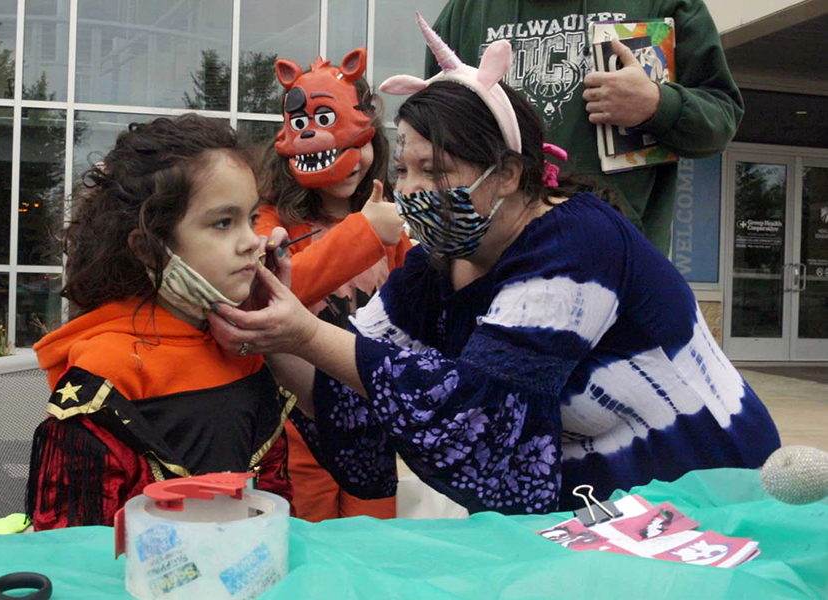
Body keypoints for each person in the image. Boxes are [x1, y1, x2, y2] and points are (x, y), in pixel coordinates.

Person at [208, 25, 779, 515]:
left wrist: (307, 333)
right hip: (594, 514)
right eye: (405, 169)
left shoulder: (578, 244)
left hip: (705, 496)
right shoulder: (440, 266)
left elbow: (477, 408)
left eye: (436, 170)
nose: (410, 191)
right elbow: (347, 380)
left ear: (507, 174)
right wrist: (270, 332)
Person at [26, 114, 293, 530]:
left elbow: (275, 503)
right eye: (224, 223)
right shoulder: (105, 367)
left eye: (252, 218)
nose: (252, 242)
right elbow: (70, 542)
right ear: (148, 250)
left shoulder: (244, 345)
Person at [425, 1, 744, 256]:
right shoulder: (466, 11)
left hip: (614, 266)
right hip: (491, 264)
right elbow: (431, 143)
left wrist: (657, 104)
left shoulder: (661, 4)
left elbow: (721, 118)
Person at [256, 48, 411, 521]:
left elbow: (413, 309)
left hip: (373, 415)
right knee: (309, 539)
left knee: (374, 544)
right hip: (297, 421)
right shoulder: (270, 220)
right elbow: (271, 291)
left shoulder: (388, 225)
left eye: (358, 139)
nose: (349, 154)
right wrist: (364, 232)